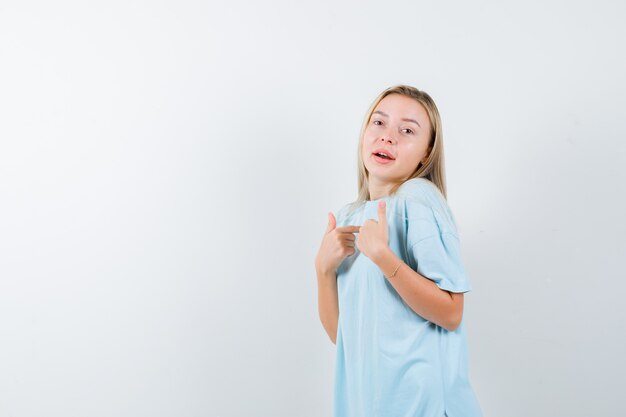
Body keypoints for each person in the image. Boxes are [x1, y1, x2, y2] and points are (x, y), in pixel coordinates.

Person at [315, 85, 483, 417]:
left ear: (426, 152)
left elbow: (451, 313)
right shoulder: (350, 216)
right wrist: (322, 269)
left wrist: (384, 258)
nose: (387, 137)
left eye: (407, 130)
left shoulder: (416, 198)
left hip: (423, 406)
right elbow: (347, 340)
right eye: (379, 123)